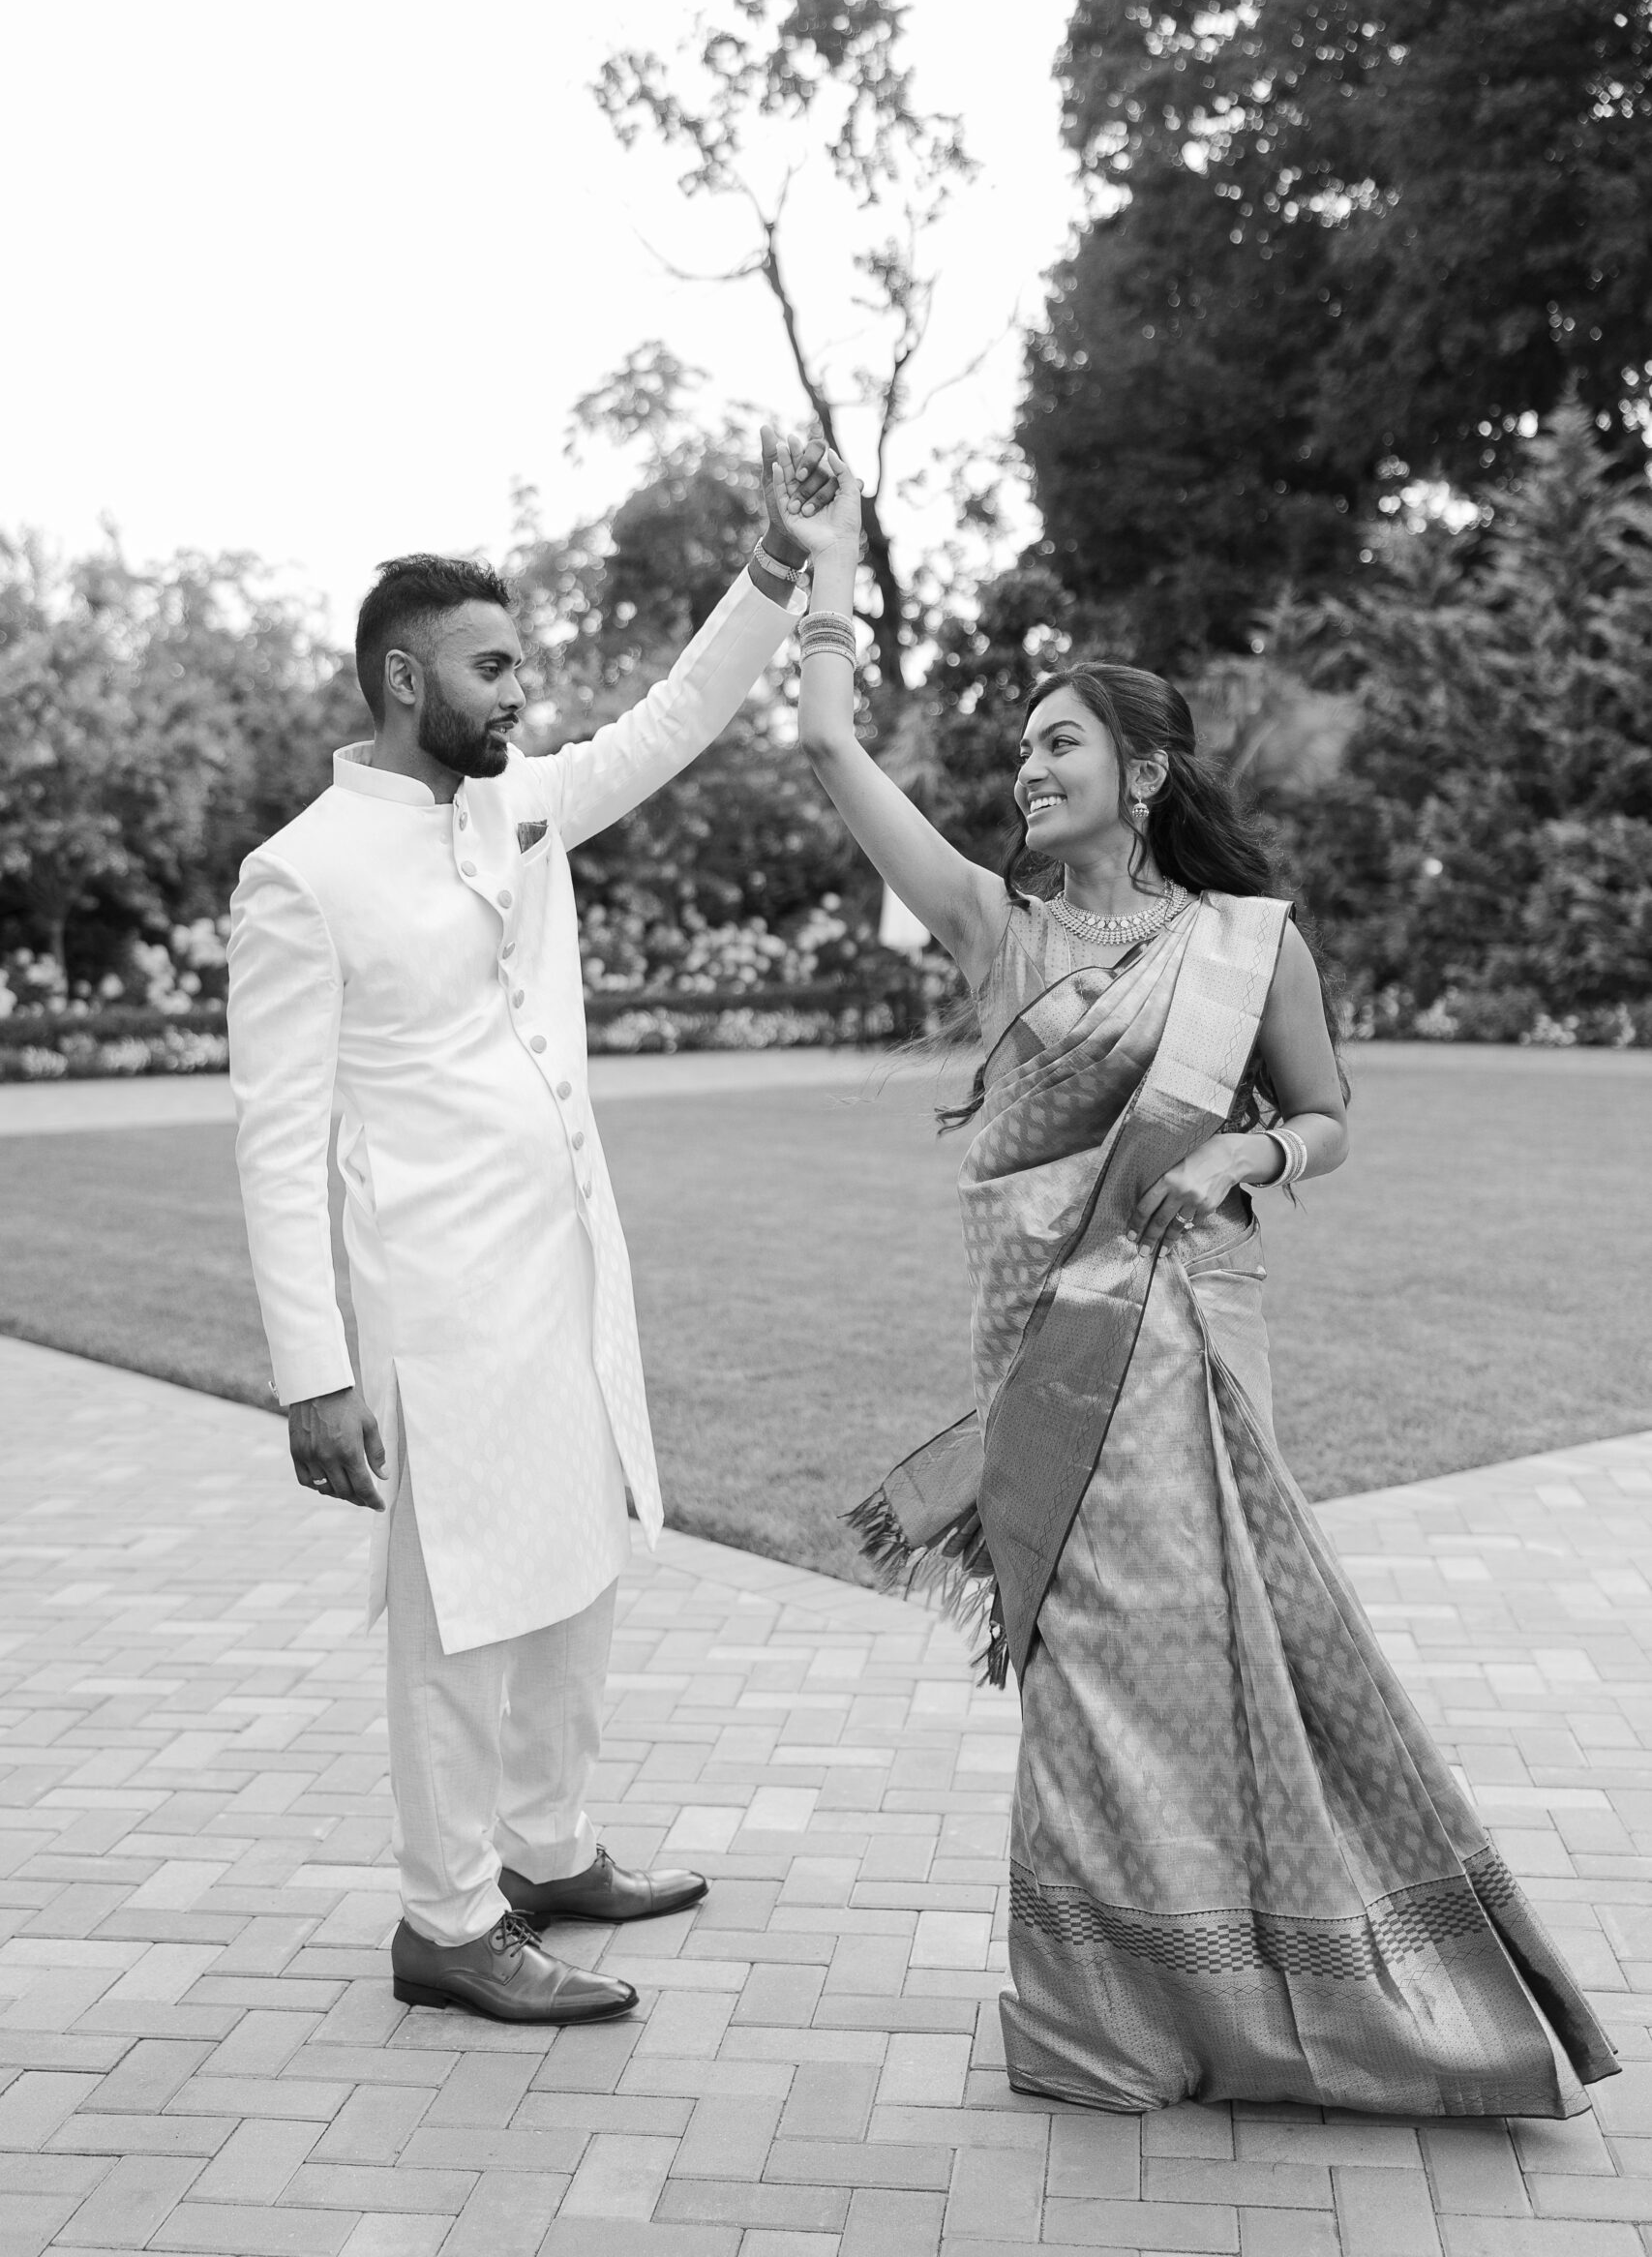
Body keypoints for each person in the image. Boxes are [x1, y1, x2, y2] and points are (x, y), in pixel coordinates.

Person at [770, 442, 1616, 2117]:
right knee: (1079, 1668)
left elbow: (1326, 1115)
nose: (1026, 768)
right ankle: (1106, 2019)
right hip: (1047, 1359)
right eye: (1019, 747)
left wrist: (1245, 1155)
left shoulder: (1248, 942)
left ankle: (1278, 1988)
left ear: (1143, 772)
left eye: (1058, 741)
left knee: (1211, 1654)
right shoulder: (993, 930)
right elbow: (825, 744)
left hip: (1179, 1355)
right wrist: (828, 580)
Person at [227, 434, 831, 2026]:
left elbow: (676, 719)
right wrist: (311, 1374)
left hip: (566, 1279)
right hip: (431, 1312)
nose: (519, 693)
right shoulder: (298, 878)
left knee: (575, 1576)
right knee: (456, 1617)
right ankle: (447, 1920)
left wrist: (774, 566)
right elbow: (278, 1145)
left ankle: (554, 1850)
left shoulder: (518, 812)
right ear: (404, 681)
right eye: (492, 669)